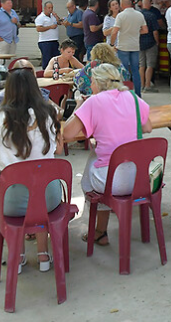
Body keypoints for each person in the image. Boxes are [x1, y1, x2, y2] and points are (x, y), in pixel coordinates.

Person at [0, 67, 64, 273]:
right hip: (50, 198)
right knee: (38, 185)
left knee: (17, 187)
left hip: (12, 202)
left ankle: (18, 255)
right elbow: (59, 149)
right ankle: (43, 253)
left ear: (8, 91)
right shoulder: (49, 114)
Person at [61, 63, 153, 247]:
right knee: (98, 159)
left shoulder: (93, 102)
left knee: (91, 171)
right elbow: (147, 127)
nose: (91, 85)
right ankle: (101, 231)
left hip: (111, 181)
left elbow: (68, 134)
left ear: (98, 82)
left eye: (92, 81)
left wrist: (79, 105)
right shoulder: (133, 98)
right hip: (139, 178)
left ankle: (100, 230)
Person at [113, 0, 148, 97]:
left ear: (122, 5)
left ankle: (126, 94)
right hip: (135, 46)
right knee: (135, 71)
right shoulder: (139, 14)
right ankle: (138, 94)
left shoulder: (120, 16)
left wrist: (111, 44)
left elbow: (115, 31)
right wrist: (136, 32)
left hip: (123, 46)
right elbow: (145, 30)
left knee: (124, 71)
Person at [138, 0, 162, 94]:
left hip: (139, 43)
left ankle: (141, 85)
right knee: (150, 65)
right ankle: (147, 85)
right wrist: (157, 41)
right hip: (150, 43)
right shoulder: (151, 15)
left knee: (141, 65)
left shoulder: (138, 15)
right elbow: (155, 31)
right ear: (148, 4)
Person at [34, 1, 61, 69]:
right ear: (45, 8)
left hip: (54, 40)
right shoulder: (40, 17)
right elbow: (38, 29)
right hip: (45, 41)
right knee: (47, 58)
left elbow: (59, 22)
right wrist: (50, 27)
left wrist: (56, 16)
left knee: (56, 58)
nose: (50, 9)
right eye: (49, 8)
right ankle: (45, 71)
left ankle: (55, 71)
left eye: (51, 8)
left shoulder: (53, 16)